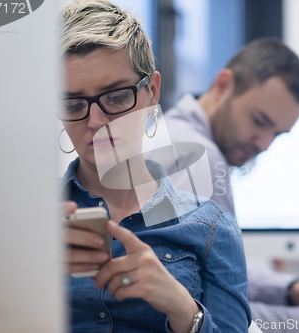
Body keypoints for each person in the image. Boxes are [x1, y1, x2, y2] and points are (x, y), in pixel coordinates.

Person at [59, 1, 251, 332]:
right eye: (73, 104)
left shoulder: (211, 230)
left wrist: (182, 307)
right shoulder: (26, 224)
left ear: (151, 93)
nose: (96, 121)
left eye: (116, 97)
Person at [162, 38, 299, 333]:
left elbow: (212, 276)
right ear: (224, 85)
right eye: (259, 121)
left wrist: (292, 290)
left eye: (277, 133)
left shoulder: (170, 132)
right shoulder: (200, 158)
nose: (263, 144)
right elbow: (215, 317)